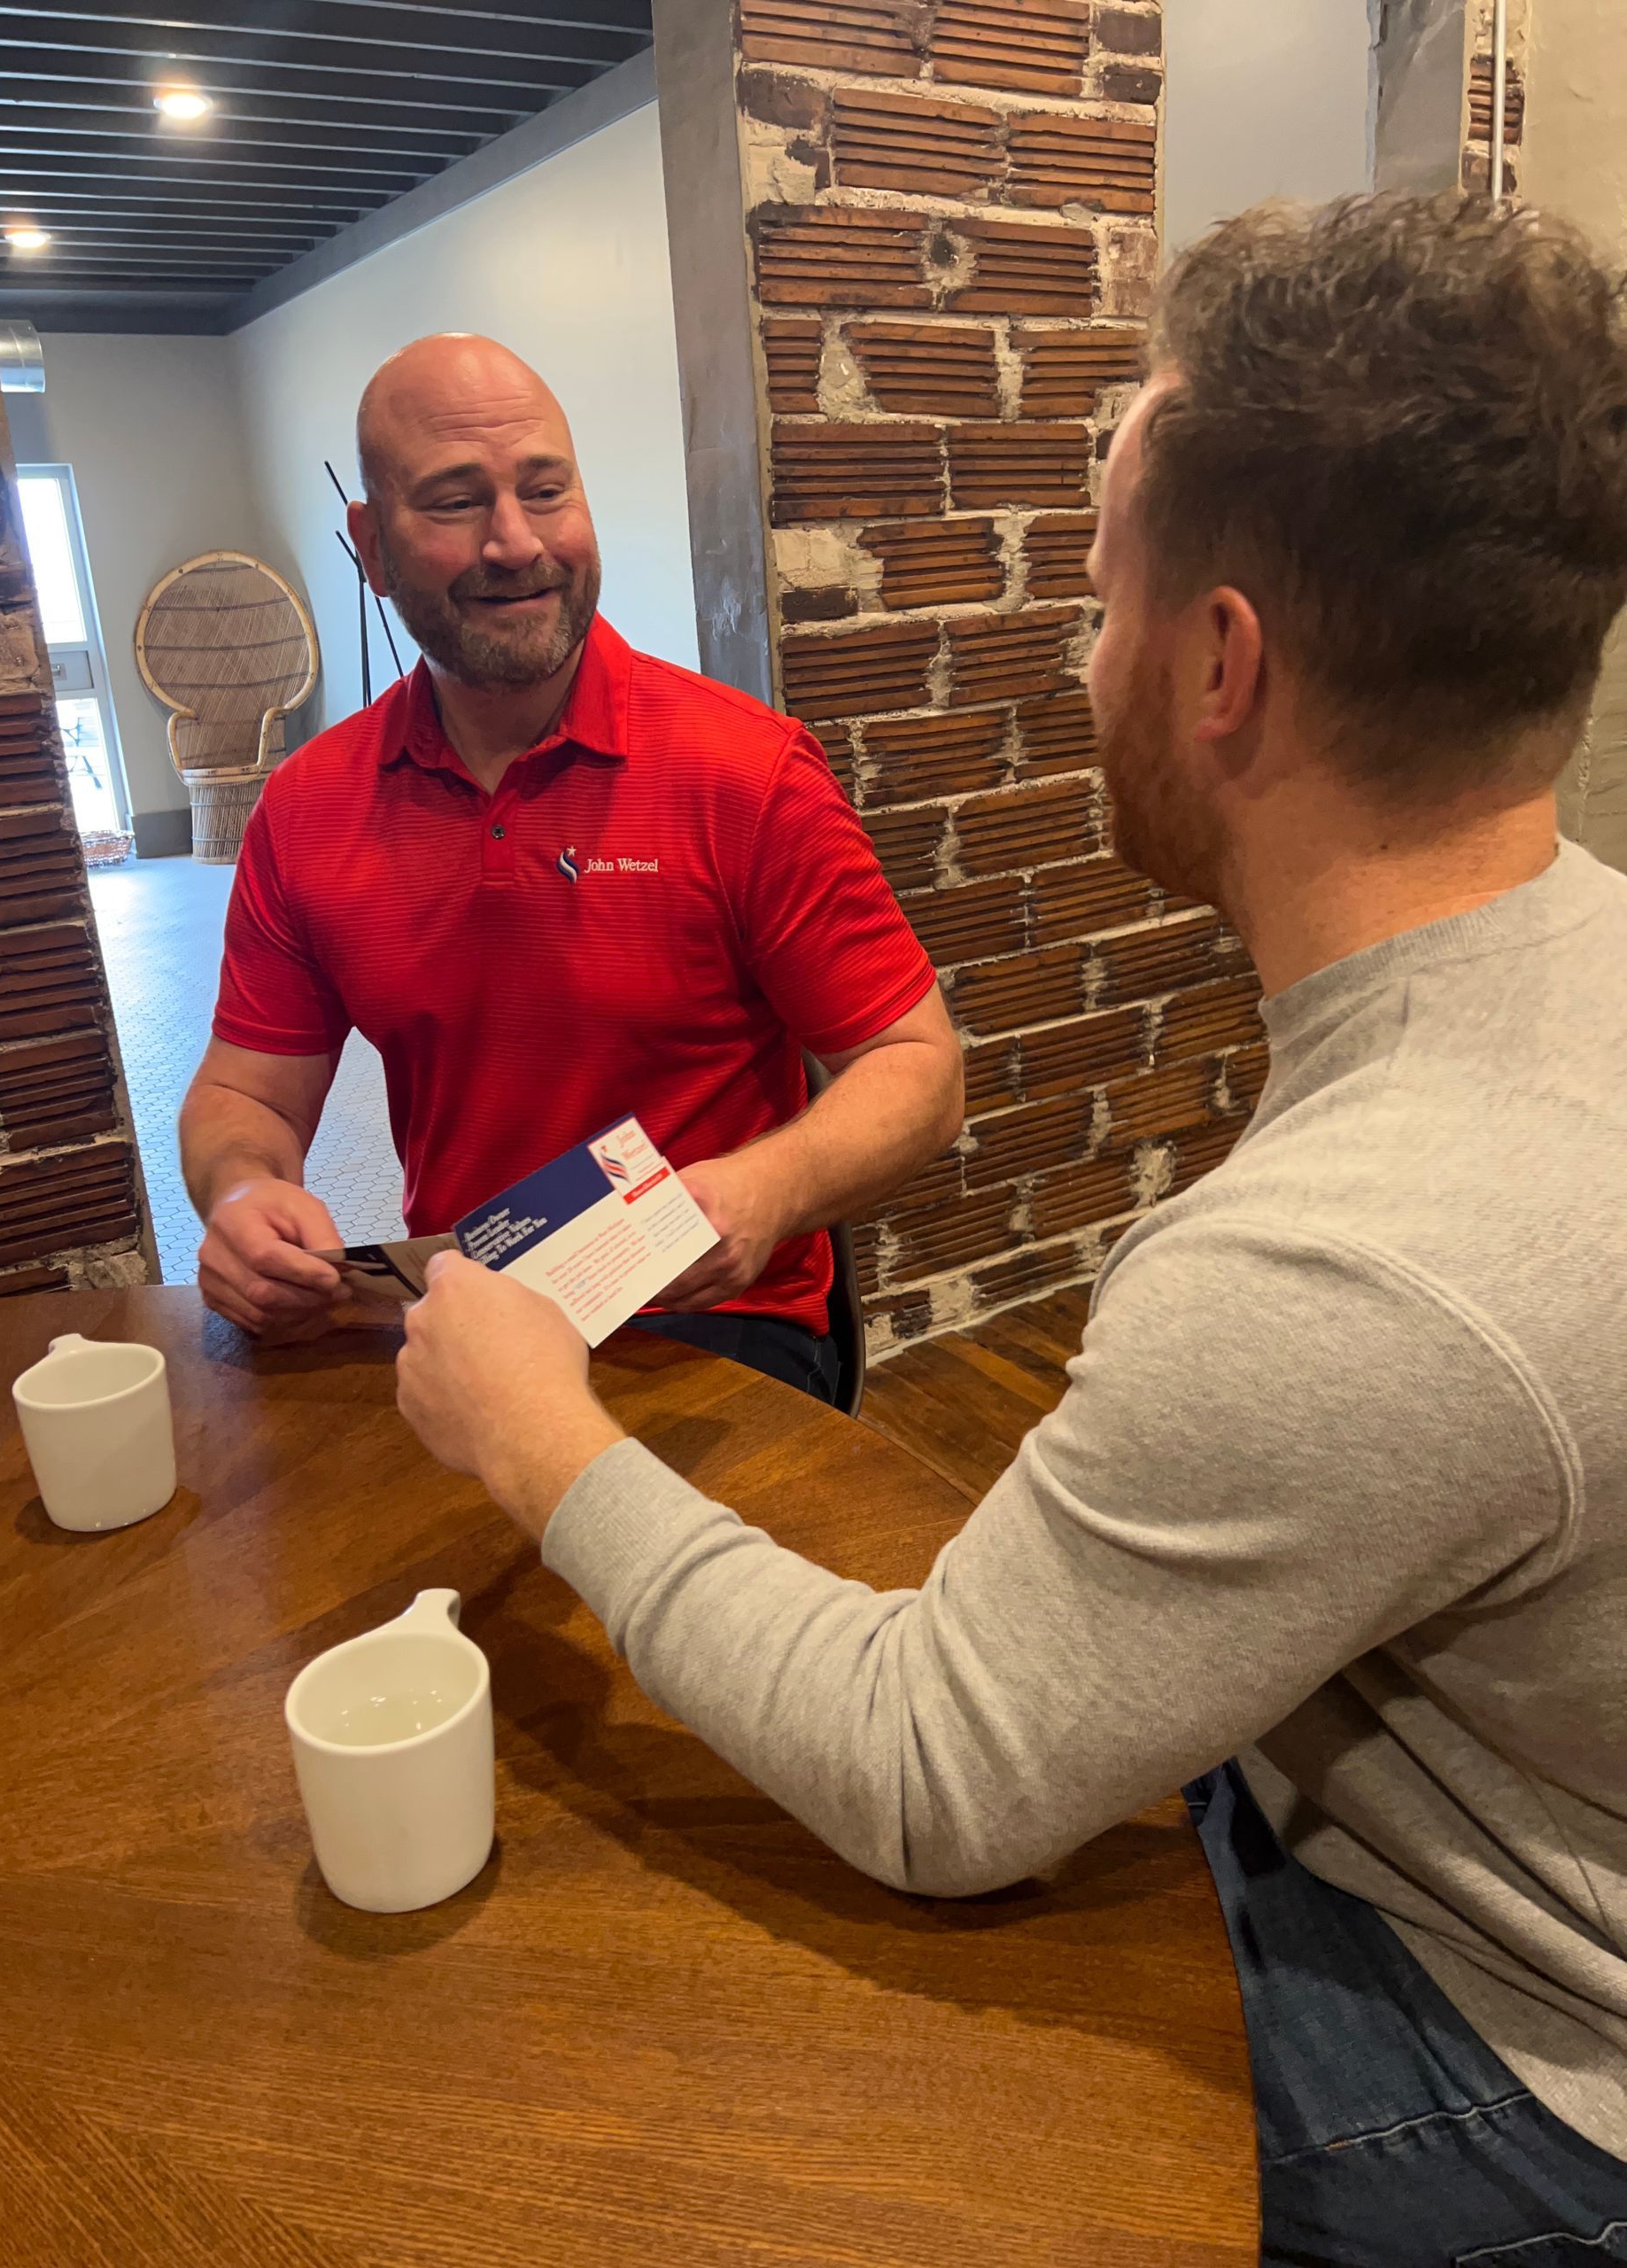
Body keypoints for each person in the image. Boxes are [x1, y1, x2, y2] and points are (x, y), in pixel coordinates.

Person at [393, 197, 1627, 2259]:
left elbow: (927, 1774)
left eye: (1094, 601)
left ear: (1219, 665)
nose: (1079, 661)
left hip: (1520, 2066)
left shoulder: (1334, 1269)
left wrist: (532, 1425)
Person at [180, 334, 963, 1401]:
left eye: (545, 490)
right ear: (369, 542)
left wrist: (766, 1190)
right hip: (474, 1323)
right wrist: (237, 1194)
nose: (516, 542)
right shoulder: (310, 808)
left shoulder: (746, 771)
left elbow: (920, 1067)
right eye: (457, 501)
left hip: (711, 1328)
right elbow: (246, 1096)